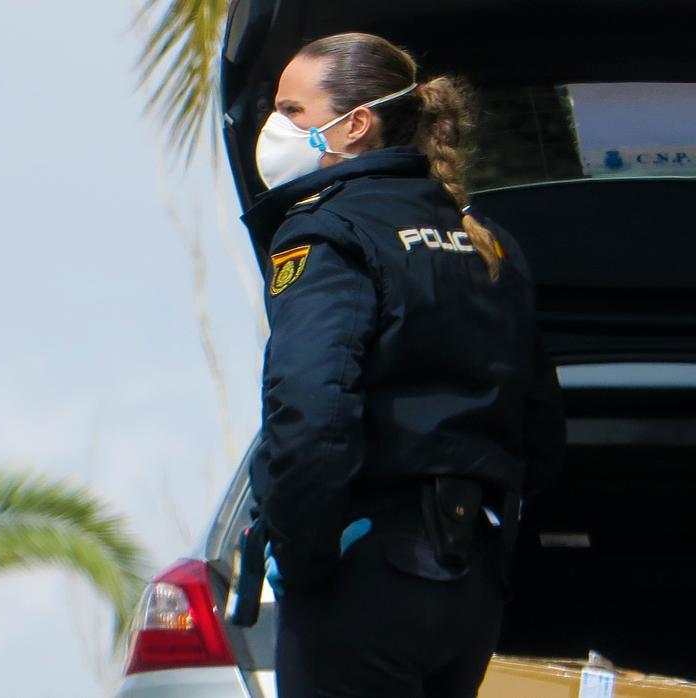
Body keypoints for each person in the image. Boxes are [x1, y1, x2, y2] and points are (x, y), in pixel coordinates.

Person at [242, 32, 566, 697]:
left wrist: (306, 562)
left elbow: (310, 411)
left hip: (364, 571)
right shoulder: (490, 245)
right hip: (471, 586)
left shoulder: (328, 233)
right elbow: (541, 431)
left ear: (356, 124)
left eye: (292, 111)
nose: (273, 128)